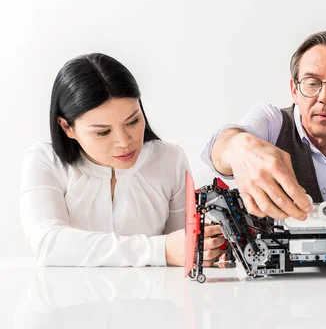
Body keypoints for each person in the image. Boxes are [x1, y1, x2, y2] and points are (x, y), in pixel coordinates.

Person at [200, 30, 326, 263]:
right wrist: (238, 146)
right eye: (312, 83)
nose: (324, 97)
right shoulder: (272, 124)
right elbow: (219, 147)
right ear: (294, 90)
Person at [19, 53, 216, 267]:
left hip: (155, 298)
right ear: (67, 127)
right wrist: (160, 250)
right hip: (68, 298)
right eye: (103, 132)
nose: (124, 142)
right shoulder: (45, 161)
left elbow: (185, 249)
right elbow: (49, 244)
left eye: (132, 122)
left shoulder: (170, 159)